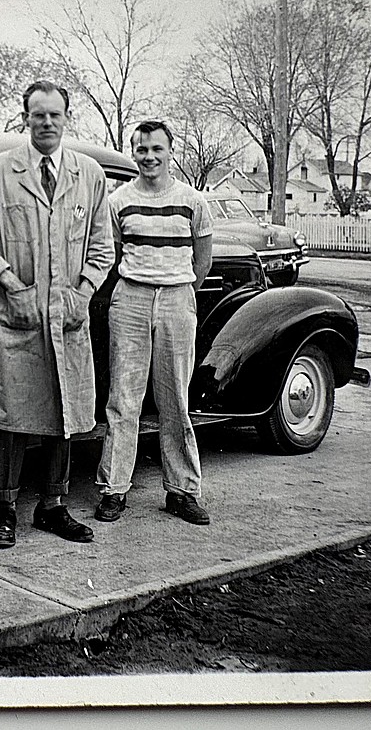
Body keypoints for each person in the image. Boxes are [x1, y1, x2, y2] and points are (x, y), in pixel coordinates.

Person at [0, 80, 114, 549]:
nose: (47, 123)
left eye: (55, 115)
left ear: (67, 119)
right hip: (18, 315)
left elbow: (102, 246)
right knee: (11, 414)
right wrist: (12, 284)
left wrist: (81, 293)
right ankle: (6, 510)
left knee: (64, 411)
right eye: (38, 115)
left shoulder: (88, 174)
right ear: (24, 118)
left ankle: (53, 507)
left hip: (67, 318)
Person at [94, 120, 214, 526]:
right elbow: (110, 255)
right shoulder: (118, 201)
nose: (149, 157)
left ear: (170, 151)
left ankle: (182, 491)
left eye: (157, 149)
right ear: (134, 151)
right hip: (130, 299)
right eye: (142, 149)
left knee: (175, 399)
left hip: (177, 299)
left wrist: (175, 291)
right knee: (124, 400)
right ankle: (114, 490)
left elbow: (202, 262)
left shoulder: (193, 201)